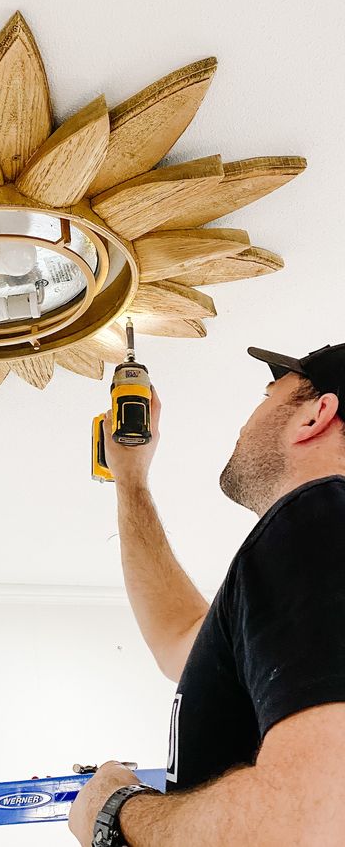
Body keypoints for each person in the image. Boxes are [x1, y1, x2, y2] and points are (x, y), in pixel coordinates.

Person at [68, 342, 345, 846]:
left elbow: (308, 822)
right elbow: (179, 639)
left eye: (268, 396)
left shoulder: (318, 516)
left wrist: (114, 815)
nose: (246, 423)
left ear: (316, 415)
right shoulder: (322, 545)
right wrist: (131, 481)